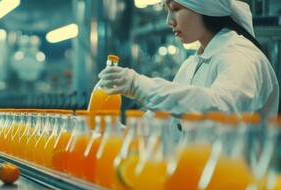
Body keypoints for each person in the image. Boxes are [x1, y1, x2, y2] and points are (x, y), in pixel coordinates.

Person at [98, 0, 279, 143]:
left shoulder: (240, 55)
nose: (168, 21)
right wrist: (112, 131)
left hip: (235, 184)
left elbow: (222, 109)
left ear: (205, 7)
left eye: (175, 8)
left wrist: (139, 85)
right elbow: (158, 124)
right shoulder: (191, 65)